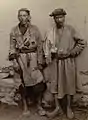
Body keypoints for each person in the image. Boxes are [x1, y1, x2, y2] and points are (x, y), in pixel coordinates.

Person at [44, 8, 86, 119]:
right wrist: (49, 54)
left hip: (68, 62)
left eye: (61, 17)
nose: (59, 20)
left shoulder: (70, 29)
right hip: (55, 62)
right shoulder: (51, 32)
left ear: (64, 17)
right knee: (55, 84)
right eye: (56, 18)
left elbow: (82, 42)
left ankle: (68, 107)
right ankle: (57, 108)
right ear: (54, 19)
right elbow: (46, 46)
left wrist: (71, 52)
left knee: (69, 84)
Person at [9, 8, 46, 116]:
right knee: (22, 84)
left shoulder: (35, 29)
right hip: (20, 58)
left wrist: (40, 62)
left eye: (24, 15)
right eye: (20, 15)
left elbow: (39, 47)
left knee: (38, 83)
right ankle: (25, 107)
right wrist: (15, 62)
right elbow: (12, 48)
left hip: (33, 58)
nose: (22, 18)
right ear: (18, 17)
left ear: (29, 17)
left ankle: (39, 105)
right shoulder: (14, 30)